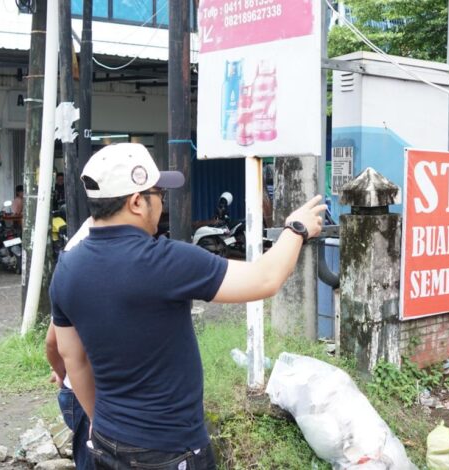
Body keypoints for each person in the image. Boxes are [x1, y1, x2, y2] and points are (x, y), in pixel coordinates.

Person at [50, 143, 324, 469]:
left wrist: (99, 420)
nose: (162, 202)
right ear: (136, 202)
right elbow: (265, 279)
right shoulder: (165, 261)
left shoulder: (67, 268)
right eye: (159, 193)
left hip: (107, 442)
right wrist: (296, 229)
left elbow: (73, 358)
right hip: (171, 449)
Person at [45, 218, 92, 470]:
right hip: (92, 397)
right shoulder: (87, 258)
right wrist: (65, 374)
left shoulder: (74, 258)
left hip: (77, 392)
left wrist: (63, 374)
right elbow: (53, 343)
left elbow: (53, 342)